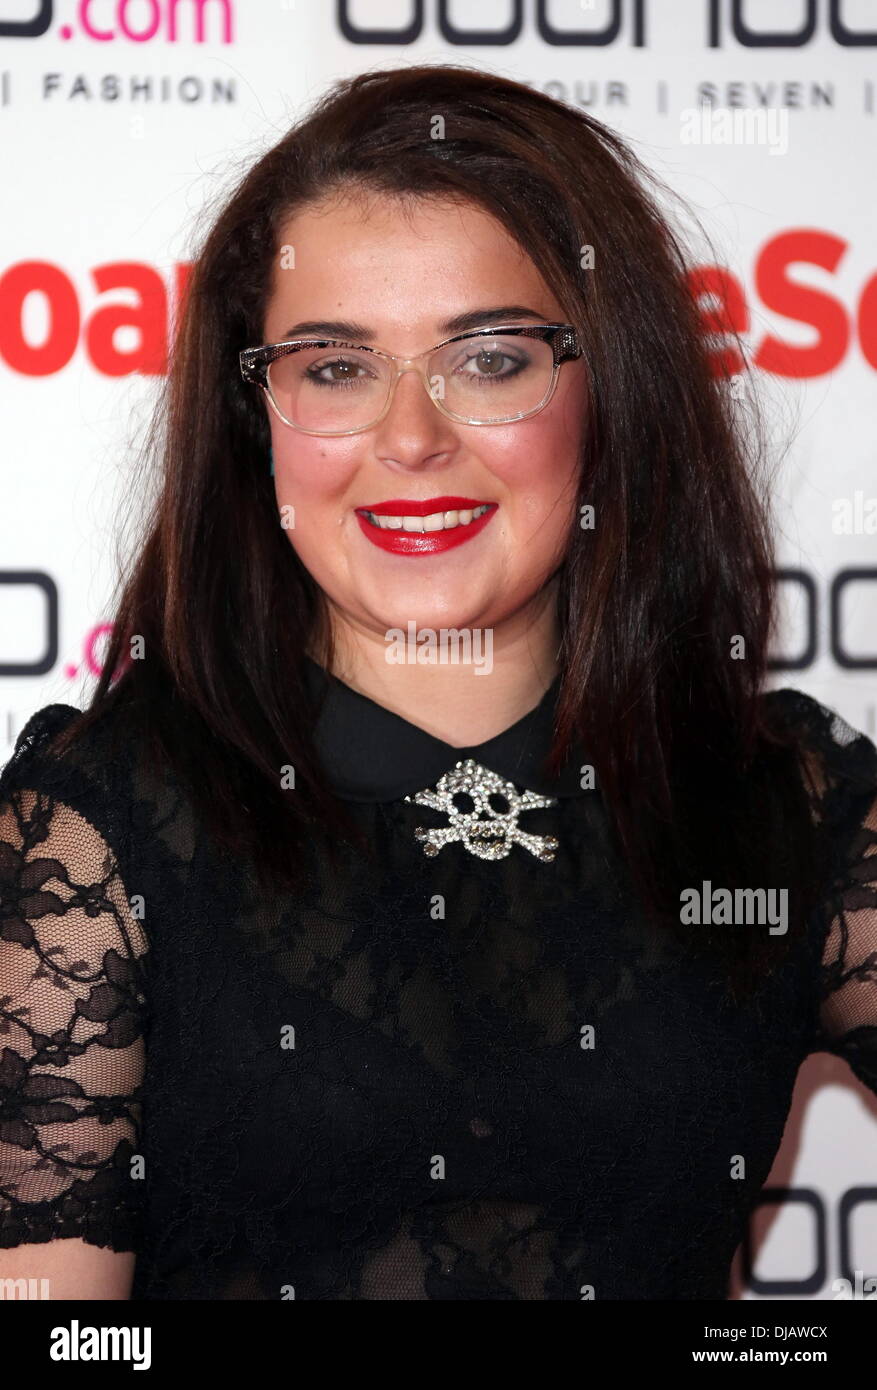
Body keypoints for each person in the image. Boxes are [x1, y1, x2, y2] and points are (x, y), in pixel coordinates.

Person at [1, 64, 875, 1301]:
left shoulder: (787, 805)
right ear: (258, 418)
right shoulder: (104, 825)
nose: (412, 439)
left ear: (607, 389)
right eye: (335, 367)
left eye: (491, 358)